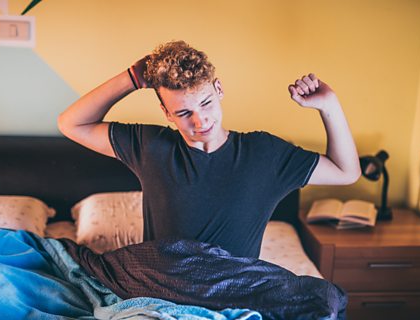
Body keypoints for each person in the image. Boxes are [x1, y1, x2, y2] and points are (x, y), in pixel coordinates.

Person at [58, 40, 360, 258]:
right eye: (183, 112)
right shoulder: (150, 146)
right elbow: (71, 124)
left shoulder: (264, 153)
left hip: (235, 292)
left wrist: (328, 106)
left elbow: (346, 172)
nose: (200, 121)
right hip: (163, 289)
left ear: (219, 90)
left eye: (205, 103)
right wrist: (132, 78)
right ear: (166, 113)